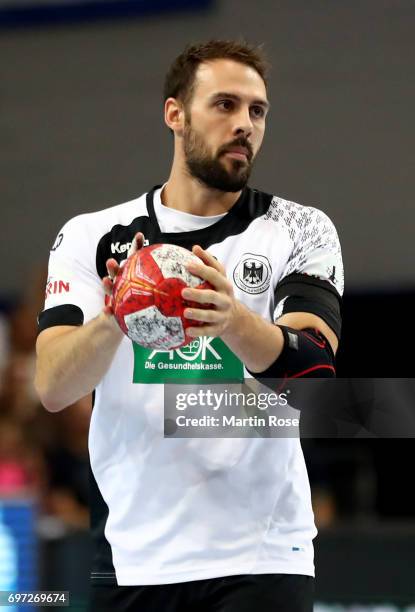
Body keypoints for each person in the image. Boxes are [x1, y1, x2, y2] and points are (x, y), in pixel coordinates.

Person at [35, 40, 344, 612]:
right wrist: (115, 316)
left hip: (262, 555)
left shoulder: (300, 229)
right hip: (133, 556)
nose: (245, 124)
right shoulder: (92, 235)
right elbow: (53, 386)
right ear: (175, 114)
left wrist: (231, 320)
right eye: (224, 104)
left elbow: (314, 369)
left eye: (257, 110)